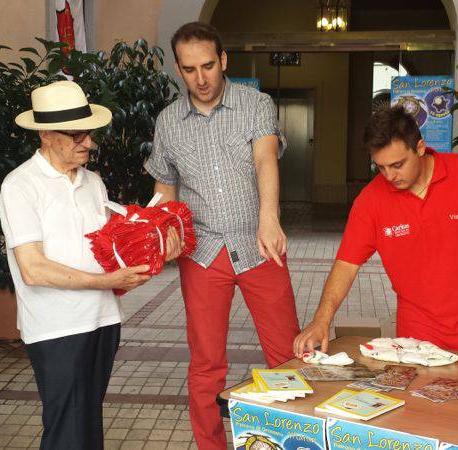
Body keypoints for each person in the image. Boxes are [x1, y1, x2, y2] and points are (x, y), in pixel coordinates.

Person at [0, 80, 181, 450]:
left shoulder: (93, 182)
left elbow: (110, 254)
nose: (89, 143)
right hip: (55, 328)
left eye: (90, 133)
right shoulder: (20, 186)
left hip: (102, 321)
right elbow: (34, 269)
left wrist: (158, 249)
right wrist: (108, 280)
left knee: (87, 425)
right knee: (66, 428)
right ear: (46, 134)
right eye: (77, 135)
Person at [144, 21, 301, 449]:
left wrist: (269, 218)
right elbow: (164, 190)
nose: (202, 78)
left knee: (286, 357)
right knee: (206, 363)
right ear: (178, 69)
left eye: (209, 66)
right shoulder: (168, 122)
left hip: (259, 246)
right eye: (190, 69)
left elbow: (266, 160)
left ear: (224, 60)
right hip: (202, 253)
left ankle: (290, 441)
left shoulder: (256, 104)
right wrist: (162, 232)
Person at [294, 106, 458, 357]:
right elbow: (346, 265)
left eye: (398, 164)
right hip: (416, 341)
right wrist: (321, 320)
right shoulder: (370, 202)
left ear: (420, 148)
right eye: (380, 167)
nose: (390, 175)